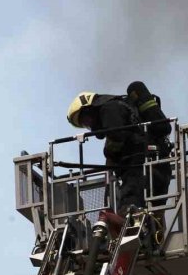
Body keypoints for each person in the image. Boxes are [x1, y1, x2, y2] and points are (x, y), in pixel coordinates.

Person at [66, 87, 172, 215]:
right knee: (153, 217)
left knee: (129, 210)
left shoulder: (109, 108)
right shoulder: (122, 107)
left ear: (90, 109)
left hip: (138, 167)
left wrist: (109, 155)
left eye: (86, 120)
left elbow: (117, 136)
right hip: (158, 167)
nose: (90, 126)